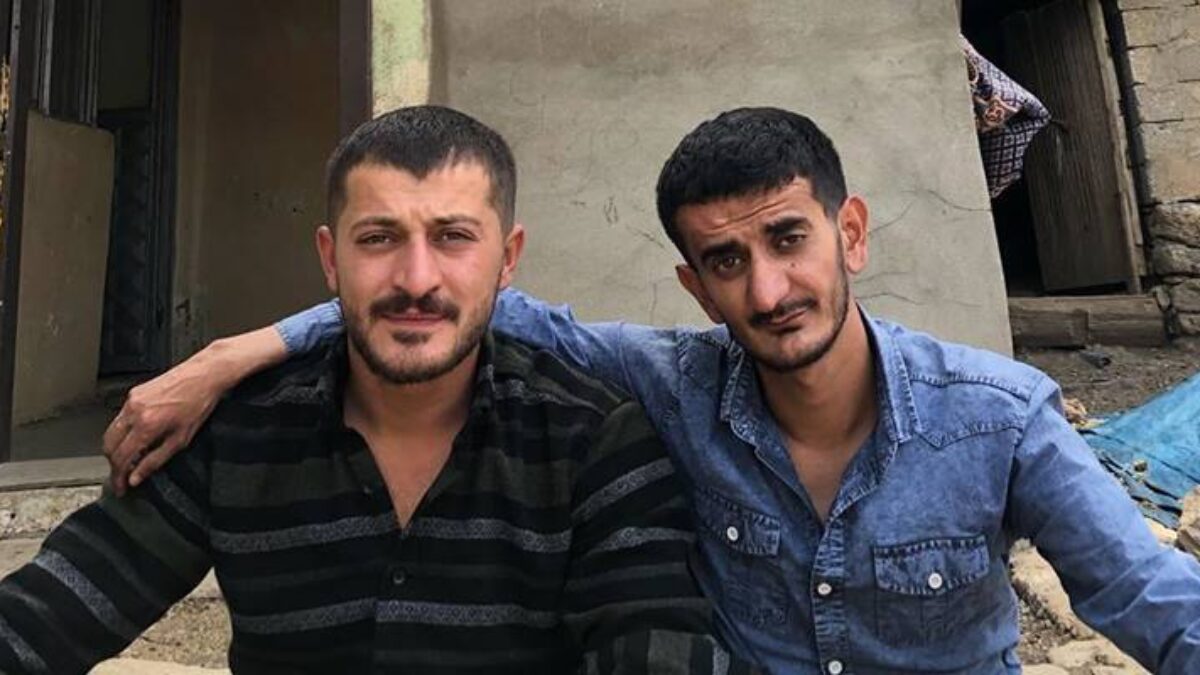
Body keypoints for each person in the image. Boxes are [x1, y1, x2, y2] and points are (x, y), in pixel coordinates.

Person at [104, 107, 1200, 674]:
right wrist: (236, 353)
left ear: (851, 232)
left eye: (789, 239)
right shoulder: (670, 385)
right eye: (726, 261)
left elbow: (1146, 598)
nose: (767, 290)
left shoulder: (997, 414)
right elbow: (453, 306)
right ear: (693, 284)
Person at [0, 106, 748, 674]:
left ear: (507, 258)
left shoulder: (595, 440)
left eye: (453, 237)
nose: (416, 279)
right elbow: (52, 611)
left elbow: (655, 642)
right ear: (331, 260)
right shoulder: (237, 432)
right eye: (379, 238)